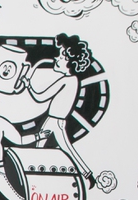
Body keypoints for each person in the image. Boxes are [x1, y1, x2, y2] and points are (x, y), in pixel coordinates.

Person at [22, 33, 95, 188]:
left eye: (61, 56)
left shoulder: (67, 81)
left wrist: (28, 85)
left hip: (55, 121)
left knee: (52, 149)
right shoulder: (73, 80)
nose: (56, 58)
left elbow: (40, 97)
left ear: (70, 62)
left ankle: (37, 179)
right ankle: (86, 174)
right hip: (54, 120)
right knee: (47, 148)